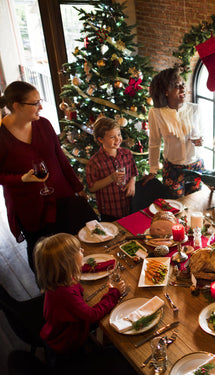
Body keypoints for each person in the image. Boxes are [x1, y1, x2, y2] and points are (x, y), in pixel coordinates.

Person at [0, 81, 95, 272]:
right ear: (17, 106)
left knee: (69, 243)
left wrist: (78, 187)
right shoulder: (2, 136)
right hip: (29, 204)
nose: (41, 107)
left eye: (40, 101)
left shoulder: (44, 124)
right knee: (40, 250)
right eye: (35, 103)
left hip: (61, 194)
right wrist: (21, 179)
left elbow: (60, 157)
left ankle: (74, 282)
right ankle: (48, 290)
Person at [34, 233, 125, 366]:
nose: (82, 250)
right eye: (78, 250)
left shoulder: (61, 278)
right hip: (66, 344)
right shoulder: (65, 294)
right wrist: (114, 293)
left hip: (62, 330)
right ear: (68, 262)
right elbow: (92, 316)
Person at [142, 68, 205, 198]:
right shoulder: (156, 113)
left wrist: (200, 140)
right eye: (177, 86)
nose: (183, 88)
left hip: (196, 167)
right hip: (172, 170)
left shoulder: (195, 109)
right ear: (165, 92)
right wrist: (153, 170)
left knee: (195, 204)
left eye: (183, 84)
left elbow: (203, 135)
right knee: (175, 208)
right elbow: (154, 143)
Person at [86, 117, 137, 221]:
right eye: (112, 137)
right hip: (109, 212)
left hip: (129, 206)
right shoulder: (94, 162)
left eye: (119, 135)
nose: (118, 139)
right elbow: (92, 187)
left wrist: (132, 182)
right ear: (101, 139)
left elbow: (133, 173)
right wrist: (111, 178)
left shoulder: (127, 154)